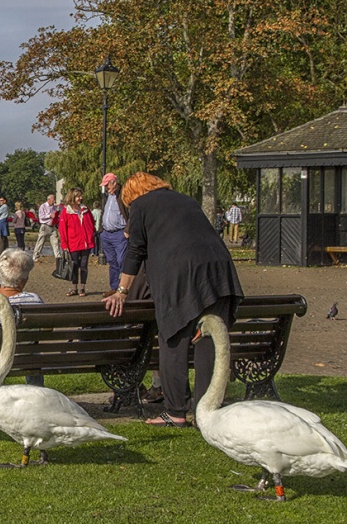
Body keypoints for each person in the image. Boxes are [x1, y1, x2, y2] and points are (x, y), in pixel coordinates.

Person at [102, 172, 243, 428]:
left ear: (131, 195)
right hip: (219, 270)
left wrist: (121, 291)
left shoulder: (141, 206)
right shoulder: (186, 200)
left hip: (179, 274)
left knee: (174, 337)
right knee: (209, 339)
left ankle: (176, 410)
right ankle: (207, 412)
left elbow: (135, 250)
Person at [0, 248, 44, 386]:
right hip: (24, 357)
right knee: (32, 352)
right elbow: (45, 328)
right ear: (23, 280)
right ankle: (36, 388)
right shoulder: (34, 300)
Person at [57, 187, 96, 297]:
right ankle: (74, 287)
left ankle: (82, 288)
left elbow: (91, 224)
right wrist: (64, 244)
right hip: (73, 243)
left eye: (80, 196)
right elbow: (62, 229)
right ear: (72, 197)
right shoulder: (66, 211)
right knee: (74, 266)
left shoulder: (85, 209)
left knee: (84, 266)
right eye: (78, 196)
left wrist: (91, 235)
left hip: (86, 243)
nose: (80, 198)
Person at [99, 173, 129, 298]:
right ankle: (114, 287)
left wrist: (127, 230)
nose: (106, 188)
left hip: (119, 234)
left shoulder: (123, 195)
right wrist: (101, 230)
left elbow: (131, 212)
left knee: (122, 260)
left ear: (114, 183)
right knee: (112, 262)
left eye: (107, 185)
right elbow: (104, 212)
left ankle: (124, 288)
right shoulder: (107, 196)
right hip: (106, 233)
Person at [32, 194, 60, 262]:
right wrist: (49, 216)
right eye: (53, 199)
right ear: (49, 199)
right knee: (40, 242)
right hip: (45, 226)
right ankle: (35, 257)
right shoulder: (43, 206)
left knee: (55, 242)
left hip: (52, 227)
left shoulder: (54, 207)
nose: (54, 201)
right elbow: (41, 217)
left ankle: (58, 257)